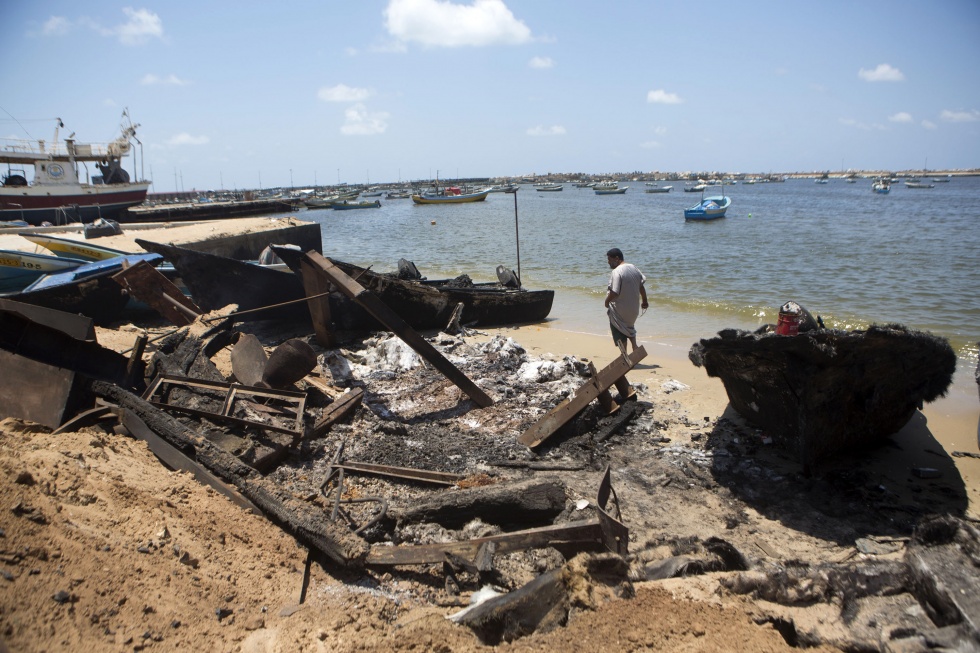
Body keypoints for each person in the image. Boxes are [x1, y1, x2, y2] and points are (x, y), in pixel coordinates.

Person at [604, 247, 648, 353]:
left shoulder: (617, 271)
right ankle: (635, 346)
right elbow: (641, 287)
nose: (608, 262)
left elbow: (615, 292)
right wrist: (645, 301)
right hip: (633, 310)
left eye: (609, 259)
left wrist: (606, 301)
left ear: (617, 258)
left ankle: (624, 354)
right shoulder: (634, 268)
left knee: (618, 328)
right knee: (629, 327)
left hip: (620, 310)